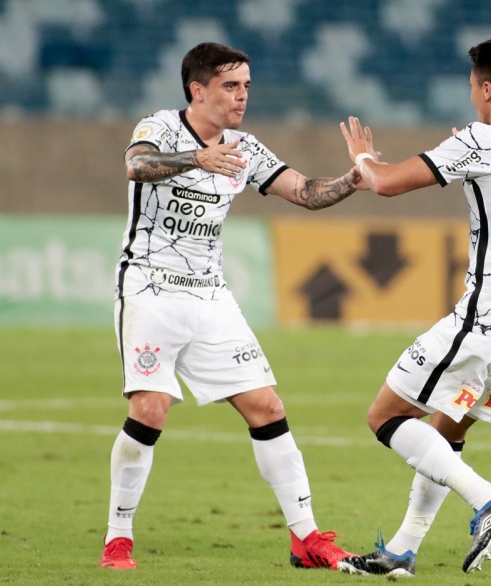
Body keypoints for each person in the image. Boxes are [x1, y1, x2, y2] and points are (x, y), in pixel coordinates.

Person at [100, 42, 364, 571]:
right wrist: (198, 158)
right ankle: (118, 538)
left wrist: (356, 177)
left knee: (268, 408)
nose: (242, 95)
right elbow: (137, 166)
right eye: (230, 86)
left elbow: (306, 192)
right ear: (197, 90)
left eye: (246, 85)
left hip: (210, 295)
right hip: (151, 286)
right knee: (149, 409)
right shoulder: (160, 127)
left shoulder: (246, 147)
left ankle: (306, 538)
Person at [334, 36, 491, 577]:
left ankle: (489, 499)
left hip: (487, 318)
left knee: (387, 415)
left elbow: (387, 183)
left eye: (473, 87)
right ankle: (401, 551)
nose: (472, 97)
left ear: (486, 87)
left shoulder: (481, 140)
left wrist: (362, 158)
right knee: (448, 429)